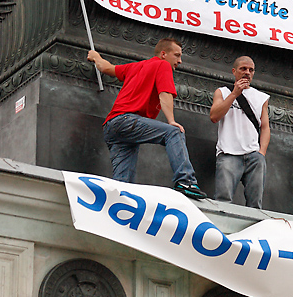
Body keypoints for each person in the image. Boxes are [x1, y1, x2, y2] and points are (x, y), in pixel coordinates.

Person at [87, 38, 206, 199]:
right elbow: (165, 93)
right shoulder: (163, 65)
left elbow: (106, 67)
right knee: (173, 132)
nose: (180, 61)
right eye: (176, 55)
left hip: (112, 127)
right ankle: (186, 181)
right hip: (127, 121)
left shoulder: (136, 66)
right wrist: (171, 121)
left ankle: (117, 206)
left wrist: (95, 56)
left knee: (123, 185)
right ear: (163, 54)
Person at [209, 56, 270, 208]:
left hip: (253, 155)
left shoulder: (261, 97)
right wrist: (234, 94)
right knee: (223, 200)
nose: (247, 73)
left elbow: (265, 127)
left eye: (251, 70)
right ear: (234, 71)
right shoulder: (222, 92)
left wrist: (261, 153)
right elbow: (214, 116)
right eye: (243, 69)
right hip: (228, 153)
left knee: (255, 204)